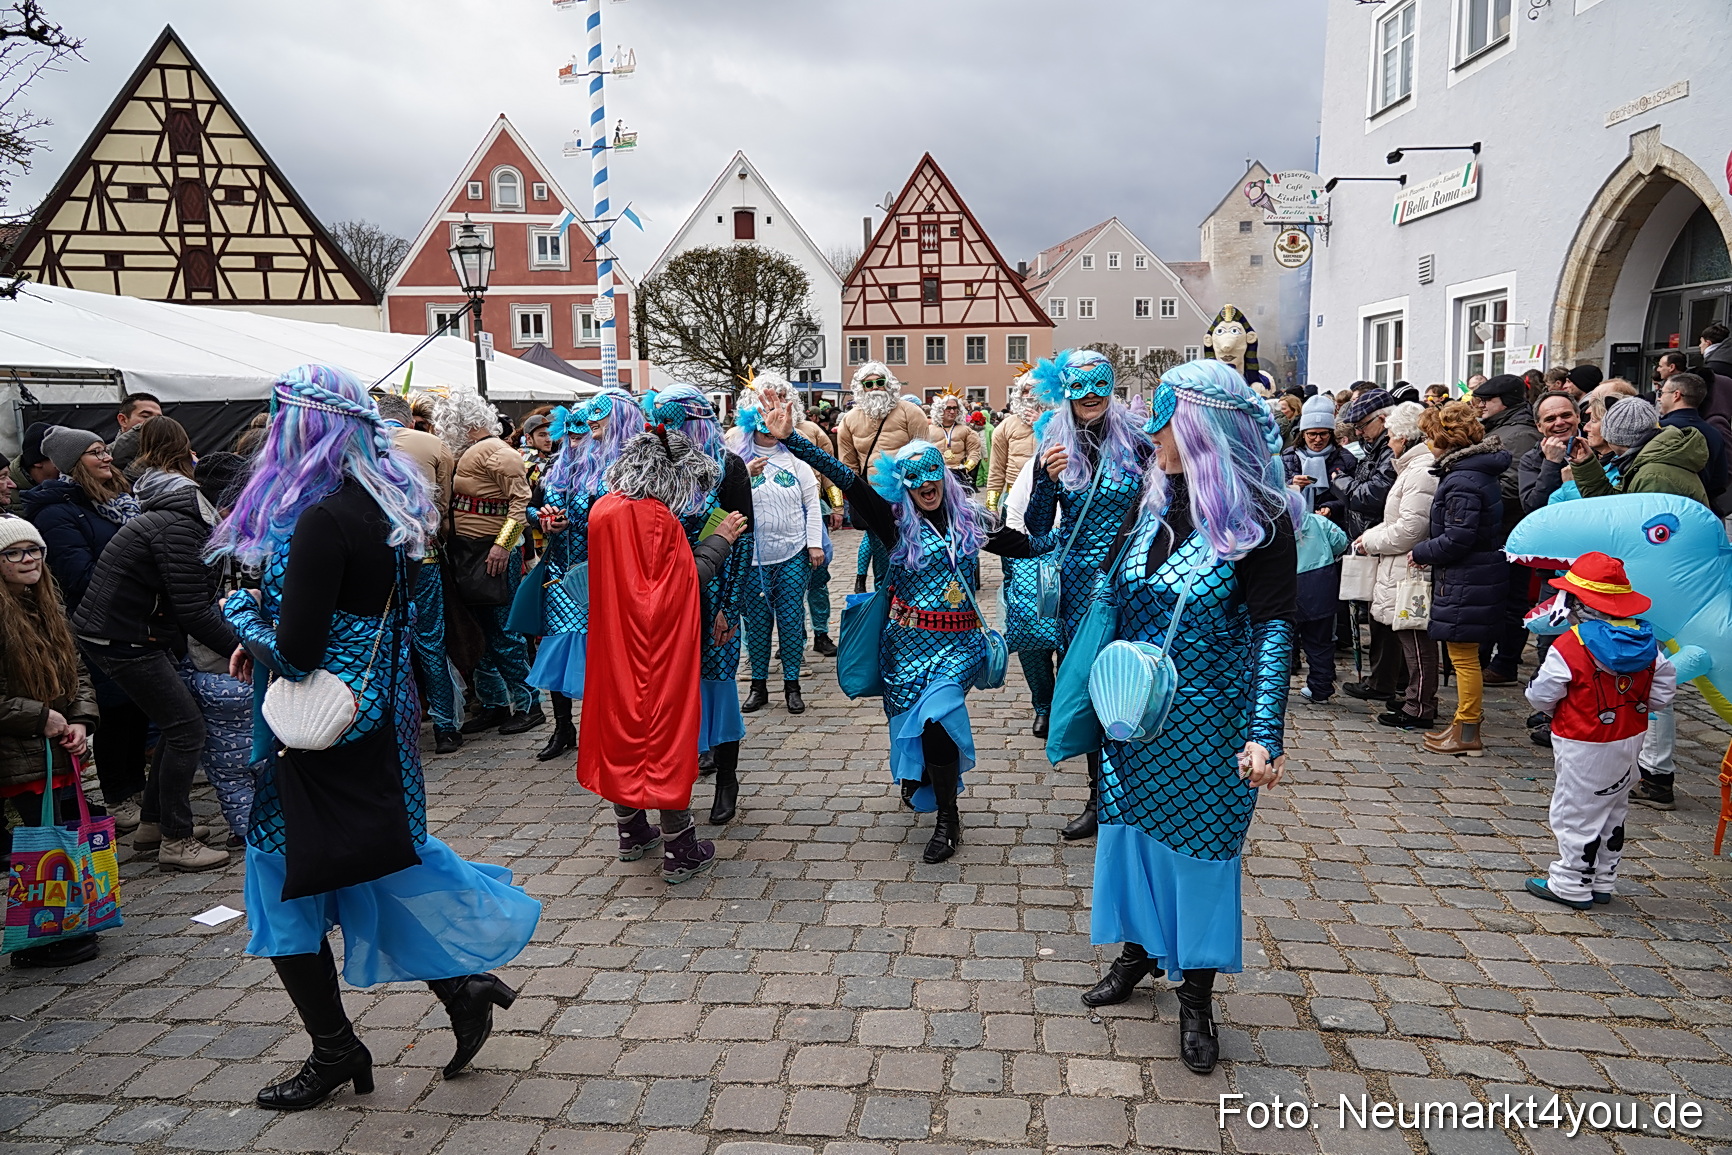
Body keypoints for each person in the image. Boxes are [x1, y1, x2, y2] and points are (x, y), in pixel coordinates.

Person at [211, 364, 540, 1109]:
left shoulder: (317, 514)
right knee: (367, 854)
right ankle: (460, 986)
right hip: (376, 716)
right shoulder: (378, 500)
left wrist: (239, 612)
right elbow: (355, 615)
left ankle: (336, 1049)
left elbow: (296, 651)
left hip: (321, 728)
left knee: (279, 877)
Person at [1073, 360, 1296, 1080]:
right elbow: (1104, 588)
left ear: (1196, 429)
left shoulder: (1259, 526)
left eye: (1163, 420)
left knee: (1201, 858)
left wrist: (1265, 730)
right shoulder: (1148, 504)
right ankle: (1138, 954)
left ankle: (1196, 996)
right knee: (1131, 839)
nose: (1151, 433)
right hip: (1131, 724)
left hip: (1209, 728)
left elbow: (1273, 630)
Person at [765, 392, 992, 865]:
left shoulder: (970, 520)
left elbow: (1027, 540)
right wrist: (791, 440)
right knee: (918, 728)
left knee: (939, 719)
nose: (926, 485)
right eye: (915, 479)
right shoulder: (893, 525)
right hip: (905, 646)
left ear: (943, 475)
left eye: (933, 474)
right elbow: (849, 480)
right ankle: (926, 778)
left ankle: (947, 820)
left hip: (958, 644)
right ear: (903, 485)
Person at [578, 427, 748, 882]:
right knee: (664, 736)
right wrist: (722, 538)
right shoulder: (656, 518)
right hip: (656, 650)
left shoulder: (604, 508)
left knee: (621, 730)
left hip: (613, 645)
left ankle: (631, 829)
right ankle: (680, 846)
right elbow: (684, 582)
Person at [70, 421, 240, 871]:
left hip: (125, 631)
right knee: (187, 729)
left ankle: (154, 823)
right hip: (122, 637)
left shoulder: (177, 517)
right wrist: (244, 649)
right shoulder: (180, 528)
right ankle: (176, 841)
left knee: (176, 724)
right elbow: (193, 611)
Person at [1020, 349, 1153, 842]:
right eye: (1081, 387)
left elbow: (1162, 502)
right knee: (1093, 688)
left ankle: (1135, 794)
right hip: (1078, 587)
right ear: (1066, 393)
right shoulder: (1052, 444)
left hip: (1132, 579)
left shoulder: (1138, 441)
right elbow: (1036, 529)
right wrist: (1043, 480)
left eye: (1100, 385)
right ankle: (1100, 799)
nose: (1092, 395)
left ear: (1111, 386)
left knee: (1132, 682)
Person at [1522, 553, 1675, 909]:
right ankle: (1603, 878)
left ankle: (1570, 882)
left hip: (1582, 737)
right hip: (1629, 734)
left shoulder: (1571, 643)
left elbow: (1543, 693)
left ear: (1578, 602)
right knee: (1613, 806)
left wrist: (1550, 709)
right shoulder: (1647, 642)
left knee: (1574, 809)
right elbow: (1663, 691)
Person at [25, 425, 147, 828]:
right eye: (97, 452)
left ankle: (137, 786)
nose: (107, 457)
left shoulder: (110, 501)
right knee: (112, 707)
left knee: (134, 706)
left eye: (106, 450)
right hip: (96, 622)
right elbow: (78, 574)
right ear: (76, 463)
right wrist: (137, 576)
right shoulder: (57, 511)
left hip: (129, 616)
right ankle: (119, 794)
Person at [643, 386, 754, 823]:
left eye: (675, 422)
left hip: (716, 591)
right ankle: (681, 773)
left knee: (718, 687)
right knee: (674, 687)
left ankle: (727, 779)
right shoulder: (655, 467)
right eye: (661, 422)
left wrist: (730, 605)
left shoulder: (728, 467)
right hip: (669, 595)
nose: (667, 431)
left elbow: (743, 540)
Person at [0, 518, 102, 969]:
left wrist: (79, 719)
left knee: (64, 839)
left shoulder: (47, 606)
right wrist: (41, 717)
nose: (29, 560)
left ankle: (64, 922)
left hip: (57, 744)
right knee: (39, 846)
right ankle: (39, 937)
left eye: (34, 550)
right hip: (19, 753)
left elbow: (77, 672)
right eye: (15, 553)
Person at [528, 391, 631, 763]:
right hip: (558, 575)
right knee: (555, 650)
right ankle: (563, 728)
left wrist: (584, 524)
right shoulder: (551, 470)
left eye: (580, 434)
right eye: (568, 435)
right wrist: (543, 520)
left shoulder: (610, 472)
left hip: (599, 575)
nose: (574, 441)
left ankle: (602, 728)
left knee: (600, 653)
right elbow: (531, 507)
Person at [435, 391, 543, 736]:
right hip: (471, 551)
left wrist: (503, 546)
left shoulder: (495, 451)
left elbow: (520, 502)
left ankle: (529, 704)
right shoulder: (477, 452)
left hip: (490, 553)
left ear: (463, 426)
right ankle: (496, 703)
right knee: (479, 631)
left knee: (502, 632)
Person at [1408, 402, 1509, 757]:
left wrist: (1421, 552)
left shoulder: (1462, 478)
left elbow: (1459, 537)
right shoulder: (1470, 472)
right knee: (1464, 656)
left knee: (1464, 658)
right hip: (1472, 575)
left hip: (1468, 577)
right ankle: (1462, 725)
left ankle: (1468, 730)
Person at [730, 377, 824, 719]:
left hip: (792, 554)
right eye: (761, 422)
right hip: (752, 558)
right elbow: (723, 504)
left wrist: (814, 544)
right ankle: (758, 685)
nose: (768, 431)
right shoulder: (735, 459)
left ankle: (792, 685)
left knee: (789, 618)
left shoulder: (796, 461)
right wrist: (742, 475)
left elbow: (811, 505)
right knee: (755, 623)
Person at [375, 393, 461, 754]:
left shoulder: (361, 444)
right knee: (430, 640)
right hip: (421, 555)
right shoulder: (433, 444)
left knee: (384, 641)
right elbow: (443, 504)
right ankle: (445, 728)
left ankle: (394, 727)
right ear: (409, 421)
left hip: (377, 559)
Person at [1353, 402, 1439, 729]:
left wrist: (1371, 541)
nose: (1388, 440)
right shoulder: (1413, 468)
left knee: (1417, 642)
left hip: (1410, 570)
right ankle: (1413, 699)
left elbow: (1412, 529)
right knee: (1410, 641)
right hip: (1402, 568)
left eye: (1390, 434)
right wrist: (1370, 535)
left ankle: (1419, 707)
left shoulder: (1420, 471)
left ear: (1403, 437)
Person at [1469, 374, 1540, 686]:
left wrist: (1474, 490)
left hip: (1511, 530)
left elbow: (1513, 487)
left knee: (1511, 600)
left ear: (1506, 402)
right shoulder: (1501, 429)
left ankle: (1505, 663)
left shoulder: (1520, 435)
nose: (1480, 406)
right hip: (1499, 528)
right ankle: (1490, 660)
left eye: (1487, 400)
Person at [836, 363, 930, 593]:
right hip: (873, 498)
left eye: (880, 382)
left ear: (889, 384)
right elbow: (848, 466)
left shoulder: (910, 412)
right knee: (882, 561)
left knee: (914, 554)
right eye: (869, 384)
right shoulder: (849, 420)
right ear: (861, 388)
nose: (875, 387)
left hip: (909, 497)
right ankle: (884, 607)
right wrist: (856, 499)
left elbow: (925, 455)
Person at [1334, 389, 1402, 703]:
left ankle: (1386, 681)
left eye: (1363, 425)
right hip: (1372, 538)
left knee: (1385, 614)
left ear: (1383, 419)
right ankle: (1385, 679)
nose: (1359, 432)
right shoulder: (1375, 447)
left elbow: (1371, 495)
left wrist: (1339, 481)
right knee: (1378, 613)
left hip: (1383, 540)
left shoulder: (1390, 450)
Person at [1573, 396, 1708, 505]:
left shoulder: (1654, 477)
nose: (1585, 428)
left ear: (1614, 437)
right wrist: (1586, 464)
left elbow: (1636, 526)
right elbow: (1613, 505)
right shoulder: (1648, 461)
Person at [1293, 504, 1347, 704]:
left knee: (1281, 640)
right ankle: (1320, 688)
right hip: (1320, 584)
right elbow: (1341, 542)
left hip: (1288, 584)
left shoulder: (1275, 524)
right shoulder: (1319, 521)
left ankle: (1275, 690)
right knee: (1320, 642)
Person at [1654, 372, 1728, 503]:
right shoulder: (1714, 433)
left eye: (1662, 393)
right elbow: (1720, 480)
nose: (1659, 399)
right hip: (1702, 506)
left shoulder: (1659, 429)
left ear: (1676, 395)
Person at [1281, 395, 1354, 518]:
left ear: (1331, 434)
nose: (1318, 439)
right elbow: (1276, 492)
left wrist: (1331, 507)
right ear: (1303, 434)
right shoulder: (1289, 456)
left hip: (1332, 527)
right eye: (1312, 434)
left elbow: (1352, 497)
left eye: (1324, 434)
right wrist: (1291, 484)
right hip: (1295, 523)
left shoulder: (1345, 458)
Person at [985, 370, 1043, 515]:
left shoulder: (1059, 422)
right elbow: (996, 470)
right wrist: (991, 506)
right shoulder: (1005, 426)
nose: (1029, 396)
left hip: (1047, 497)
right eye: (1025, 391)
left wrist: (1044, 424)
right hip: (1014, 497)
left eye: (1034, 391)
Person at [1519, 390, 1584, 512]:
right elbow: (1533, 507)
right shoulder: (1531, 460)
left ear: (1578, 416)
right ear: (1539, 426)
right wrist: (1551, 463)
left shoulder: (1599, 447)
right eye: (1550, 419)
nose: (1559, 423)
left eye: (1566, 415)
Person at [930, 392, 982, 489]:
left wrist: (965, 468)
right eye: (948, 408)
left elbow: (975, 452)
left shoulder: (966, 431)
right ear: (940, 409)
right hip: (936, 476)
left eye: (955, 408)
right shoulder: (929, 430)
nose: (952, 411)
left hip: (958, 476)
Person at [108, 392, 164, 478]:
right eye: (146, 416)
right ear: (123, 420)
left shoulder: (171, 455)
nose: (155, 422)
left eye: (159, 418)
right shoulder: (105, 456)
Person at [10, 423, 58, 493]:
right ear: (37, 462)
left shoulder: (68, 488)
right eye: (58, 458)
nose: (65, 465)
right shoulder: (5, 494)